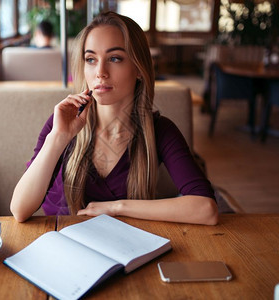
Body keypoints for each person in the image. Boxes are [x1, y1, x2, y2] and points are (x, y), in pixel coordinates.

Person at [11, 11, 218, 225]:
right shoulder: (63, 121)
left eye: (115, 58)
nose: (100, 72)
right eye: (91, 59)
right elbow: (20, 209)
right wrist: (58, 137)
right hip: (62, 242)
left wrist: (117, 207)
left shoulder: (159, 130)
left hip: (127, 249)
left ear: (138, 68)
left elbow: (206, 209)